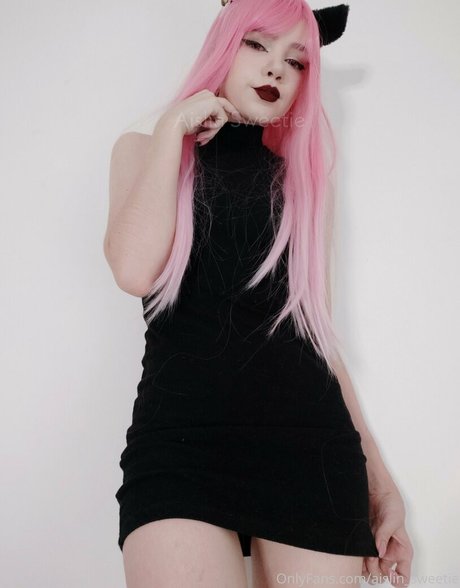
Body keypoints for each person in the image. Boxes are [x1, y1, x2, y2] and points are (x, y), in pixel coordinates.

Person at [103, 1, 414, 586]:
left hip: (309, 449)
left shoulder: (302, 184)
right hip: (181, 445)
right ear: (223, 46)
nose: (276, 69)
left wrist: (381, 487)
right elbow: (134, 271)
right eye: (258, 46)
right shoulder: (144, 149)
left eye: (295, 61)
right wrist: (172, 130)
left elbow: (315, 335)